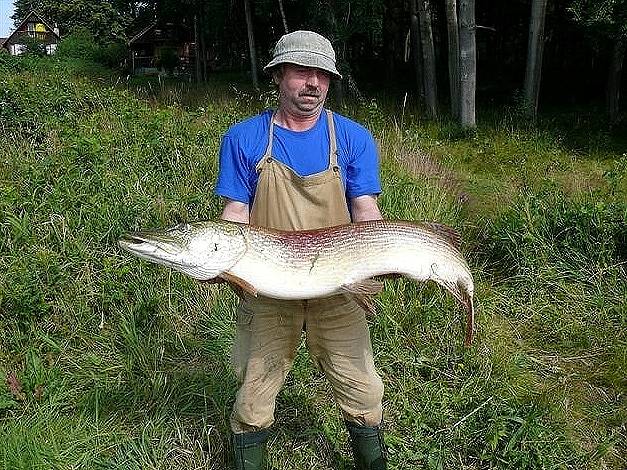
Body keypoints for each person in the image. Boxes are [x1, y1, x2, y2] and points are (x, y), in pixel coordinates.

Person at [215, 30, 387, 470]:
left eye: (322, 75)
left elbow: (365, 206)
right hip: (269, 289)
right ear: (278, 76)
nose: (313, 83)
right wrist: (228, 266)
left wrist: (376, 263)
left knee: (364, 390)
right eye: (301, 72)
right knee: (254, 395)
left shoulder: (352, 138)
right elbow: (235, 212)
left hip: (340, 285)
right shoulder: (244, 138)